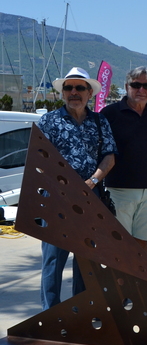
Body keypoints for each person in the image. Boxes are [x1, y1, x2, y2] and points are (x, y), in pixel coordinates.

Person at [38, 67, 117, 310]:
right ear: (62, 92)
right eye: (68, 88)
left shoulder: (100, 122)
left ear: (89, 93)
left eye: (79, 88)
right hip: (55, 197)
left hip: (89, 195)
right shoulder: (48, 121)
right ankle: (50, 313)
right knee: (53, 258)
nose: (74, 92)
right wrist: (63, 184)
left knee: (86, 258)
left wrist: (92, 181)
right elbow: (40, 160)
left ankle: (80, 312)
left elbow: (109, 157)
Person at [100, 66, 147, 253]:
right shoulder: (109, 114)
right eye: (136, 85)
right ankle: (120, 282)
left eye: (146, 86)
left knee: (142, 241)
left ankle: (140, 281)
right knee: (120, 242)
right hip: (119, 190)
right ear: (127, 86)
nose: (141, 90)